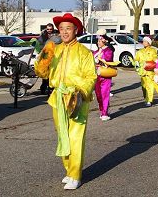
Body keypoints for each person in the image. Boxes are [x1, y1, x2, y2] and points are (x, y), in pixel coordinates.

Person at [45, 13, 96, 190]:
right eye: (61, 29)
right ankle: (69, 170)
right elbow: (43, 73)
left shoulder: (84, 52)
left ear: (76, 30)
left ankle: (75, 174)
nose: (65, 32)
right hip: (57, 97)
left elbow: (91, 76)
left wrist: (79, 92)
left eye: (68, 28)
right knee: (62, 136)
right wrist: (44, 58)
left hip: (77, 98)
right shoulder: (56, 50)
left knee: (75, 137)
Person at [93, 30, 115, 121]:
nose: (98, 42)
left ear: (104, 41)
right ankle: (102, 110)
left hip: (105, 75)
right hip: (96, 75)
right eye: (97, 41)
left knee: (104, 94)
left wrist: (100, 59)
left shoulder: (108, 50)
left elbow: (108, 58)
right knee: (98, 95)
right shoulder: (95, 52)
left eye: (100, 40)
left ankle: (105, 112)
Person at [134, 36, 158, 106]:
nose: (144, 42)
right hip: (142, 72)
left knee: (150, 86)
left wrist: (156, 60)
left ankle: (149, 100)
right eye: (143, 41)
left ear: (149, 43)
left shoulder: (152, 50)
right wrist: (136, 62)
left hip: (149, 71)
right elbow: (136, 58)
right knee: (144, 87)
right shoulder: (140, 51)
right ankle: (146, 98)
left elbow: (155, 56)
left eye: (145, 41)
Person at [39, 23, 59, 95]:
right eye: (48, 29)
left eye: (51, 29)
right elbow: (40, 44)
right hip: (46, 56)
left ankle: (51, 88)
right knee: (45, 74)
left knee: (52, 73)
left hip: (54, 56)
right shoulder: (43, 35)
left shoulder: (56, 34)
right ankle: (43, 88)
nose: (49, 30)